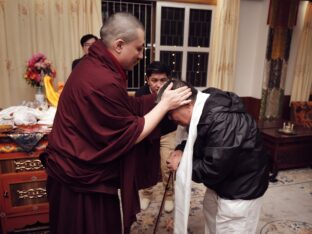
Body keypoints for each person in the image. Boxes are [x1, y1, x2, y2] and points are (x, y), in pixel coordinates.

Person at [41, 13, 191, 234]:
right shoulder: (102, 79)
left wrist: (157, 99)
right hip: (80, 180)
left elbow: (122, 108)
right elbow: (129, 132)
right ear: (119, 45)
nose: (141, 55)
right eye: (139, 48)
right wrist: (163, 105)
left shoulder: (94, 65)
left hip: (74, 168)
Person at [158, 79, 270, 234]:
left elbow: (213, 170)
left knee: (230, 227)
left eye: (170, 113)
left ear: (187, 104)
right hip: (223, 182)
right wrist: (181, 149)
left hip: (241, 190)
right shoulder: (202, 106)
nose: (170, 119)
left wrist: (182, 163)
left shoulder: (224, 120)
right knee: (212, 220)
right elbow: (194, 139)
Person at [135, 61, 177, 213]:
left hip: (167, 133)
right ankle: (146, 193)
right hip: (148, 134)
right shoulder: (141, 93)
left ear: (169, 79)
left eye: (163, 80)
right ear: (147, 80)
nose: (158, 85)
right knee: (146, 164)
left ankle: (170, 196)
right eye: (154, 80)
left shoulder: (173, 92)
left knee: (167, 165)